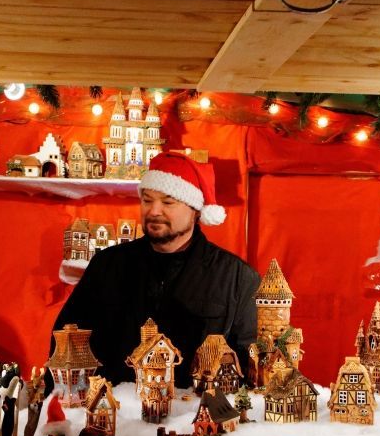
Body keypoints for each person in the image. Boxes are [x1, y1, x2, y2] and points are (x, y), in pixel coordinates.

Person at [53, 150, 260, 387]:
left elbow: (253, 361)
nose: (154, 211)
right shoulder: (107, 266)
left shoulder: (238, 279)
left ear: (195, 210)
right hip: (114, 412)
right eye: (147, 200)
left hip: (194, 416)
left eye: (168, 202)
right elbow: (66, 342)